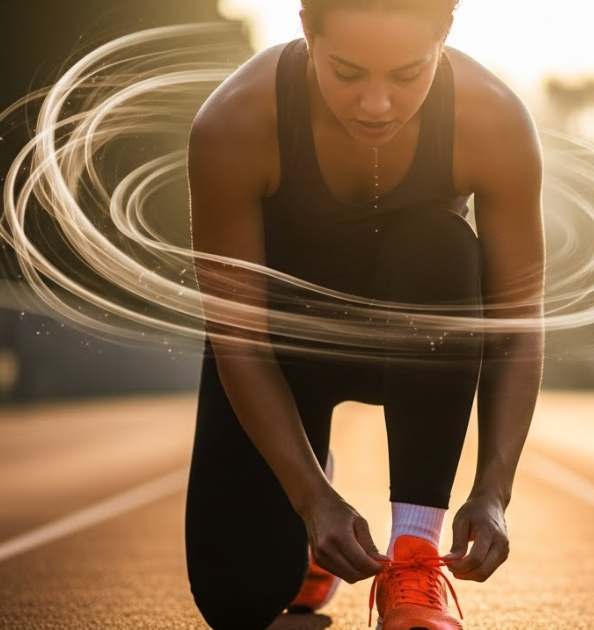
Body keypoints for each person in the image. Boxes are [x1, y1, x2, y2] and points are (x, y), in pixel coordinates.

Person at [185, 0, 544, 628]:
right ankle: (309, 489)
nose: (376, 104)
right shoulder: (236, 124)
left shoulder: (492, 120)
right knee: (237, 601)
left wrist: (493, 491)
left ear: (445, 36)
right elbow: (237, 338)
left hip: (416, 348)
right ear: (306, 31)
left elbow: (515, 327)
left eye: (407, 74)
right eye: (347, 74)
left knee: (440, 246)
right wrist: (311, 498)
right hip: (284, 350)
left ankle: (413, 555)